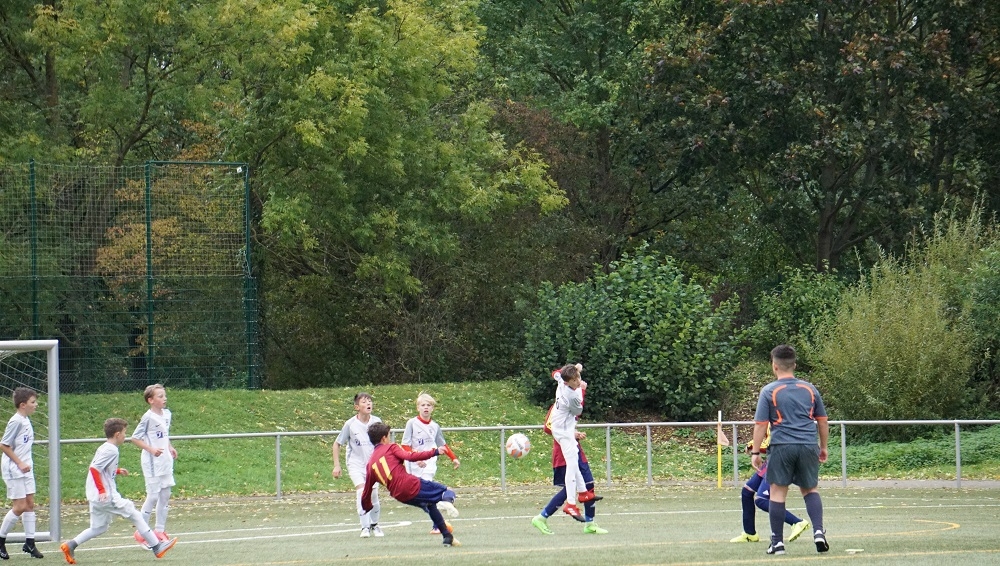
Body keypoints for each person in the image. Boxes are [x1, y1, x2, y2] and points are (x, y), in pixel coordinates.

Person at [59, 418, 178, 564]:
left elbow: (100, 468)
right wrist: (102, 490)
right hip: (107, 496)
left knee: (99, 527)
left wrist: (117, 471)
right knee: (135, 515)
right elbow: (94, 469)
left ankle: (70, 545)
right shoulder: (111, 450)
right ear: (117, 434)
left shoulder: (104, 447)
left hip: (94, 496)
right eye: (124, 433)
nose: (125, 436)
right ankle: (157, 547)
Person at [752, 344, 829, 556]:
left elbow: (760, 424)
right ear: (794, 365)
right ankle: (819, 532)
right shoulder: (810, 389)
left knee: (777, 492)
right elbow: (822, 421)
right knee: (810, 489)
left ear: (774, 366)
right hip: (808, 445)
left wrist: (756, 452)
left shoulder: (769, 391)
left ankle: (777, 543)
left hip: (782, 446)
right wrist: (823, 447)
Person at [360, 422, 461, 547]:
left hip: (399, 495)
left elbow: (367, 490)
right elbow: (410, 456)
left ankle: (447, 537)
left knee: (430, 505)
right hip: (409, 484)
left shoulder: (370, 464)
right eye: (389, 435)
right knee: (447, 491)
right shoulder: (391, 447)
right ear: (384, 438)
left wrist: (366, 506)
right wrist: (435, 452)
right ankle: (447, 502)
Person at [730, 429, 809, 544]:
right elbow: (766, 437)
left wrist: (753, 448)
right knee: (747, 492)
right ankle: (750, 534)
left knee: (761, 500)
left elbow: (771, 442)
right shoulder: (768, 419)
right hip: (772, 459)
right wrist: (753, 445)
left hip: (781, 459)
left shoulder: (776, 418)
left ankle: (797, 522)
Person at [401, 392, 460, 534]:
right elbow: (405, 445)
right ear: (418, 408)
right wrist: (416, 458)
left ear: (432, 408)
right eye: (423, 405)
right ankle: (443, 501)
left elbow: (442, 445)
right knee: (418, 496)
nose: (426, 407)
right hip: (414, 464)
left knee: (426, 492)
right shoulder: (412, 423)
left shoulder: (435, 426)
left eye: (428, 405)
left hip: (429, 463)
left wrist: (453, 458)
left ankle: (437, 524)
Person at [546, 363, 597, 521]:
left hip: (561, 429)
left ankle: (583, 493)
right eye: (574, 380)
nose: (577, 381)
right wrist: (582, 389)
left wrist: (575, 369)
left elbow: (556, 373)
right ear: (567, 382)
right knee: (573, 466)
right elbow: (578, 410)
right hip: (564, 432)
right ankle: (571, 503)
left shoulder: (561, 380)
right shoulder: (573, 396)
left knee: (574, 461)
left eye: (578, 378)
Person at [530, 431, 606, 535]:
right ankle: (541, 517)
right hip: (564, 455)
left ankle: (590, 524)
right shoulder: (555, 419)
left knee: (588, 485)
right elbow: (548, 427)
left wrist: (576, 434)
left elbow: (567, 427)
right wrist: (571, 434)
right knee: (569, 489)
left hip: (576, 453)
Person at [129, 384, 177, 547]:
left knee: (165, 494)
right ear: (151, 400)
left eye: (164, 395)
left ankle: (159, 530)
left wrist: (169, 447)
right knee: (153, 496)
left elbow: (164, 435)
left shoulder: (167, 414)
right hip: (152, 462)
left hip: (165, 461)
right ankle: (141, 533)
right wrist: (151, 449)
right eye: (160, 396)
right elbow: (135, 438)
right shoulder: (148, 418)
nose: (164, 398)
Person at [332, 392, 383, 538]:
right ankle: (364, 527)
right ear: (357, 407)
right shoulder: (350, 424)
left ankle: (375, 525)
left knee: (373, 495)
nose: (368, 404)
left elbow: (384, 443)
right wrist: (337, 465)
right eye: (364, 402)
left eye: (370, 401)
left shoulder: (377, 421)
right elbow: (337, 444)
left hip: (373, 465)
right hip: (355, 464)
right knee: (362, 491)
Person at [0, 387, 42, 558]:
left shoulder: (25, 420)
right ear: (23, 404)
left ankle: (30, 543)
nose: (36, 405)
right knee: (20, 506)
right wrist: (20, 463)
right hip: (14, 469)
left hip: (26, 468)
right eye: (33, 402)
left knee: (30, 503)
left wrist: (26, 464)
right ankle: (0, 540)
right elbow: (4, 445)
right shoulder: (16, 421)